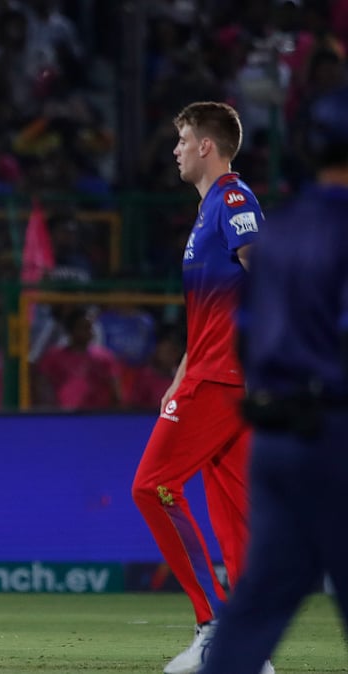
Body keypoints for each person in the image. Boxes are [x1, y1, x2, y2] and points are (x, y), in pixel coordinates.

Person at [200, 86, 348, 673]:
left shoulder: (281, 227)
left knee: (259, 603)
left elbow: (247, 331)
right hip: (336, 432)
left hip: (277, 438)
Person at [128, 102, 269, 674]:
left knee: (151, 486)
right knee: (234, 515)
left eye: (183, 139)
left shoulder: (233, 199)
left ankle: (211, 627)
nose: (176, 150)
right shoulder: (209, 208)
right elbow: (215, 309)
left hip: (224, 378)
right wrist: (182, 372)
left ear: (207, 146)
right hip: (211, 374)